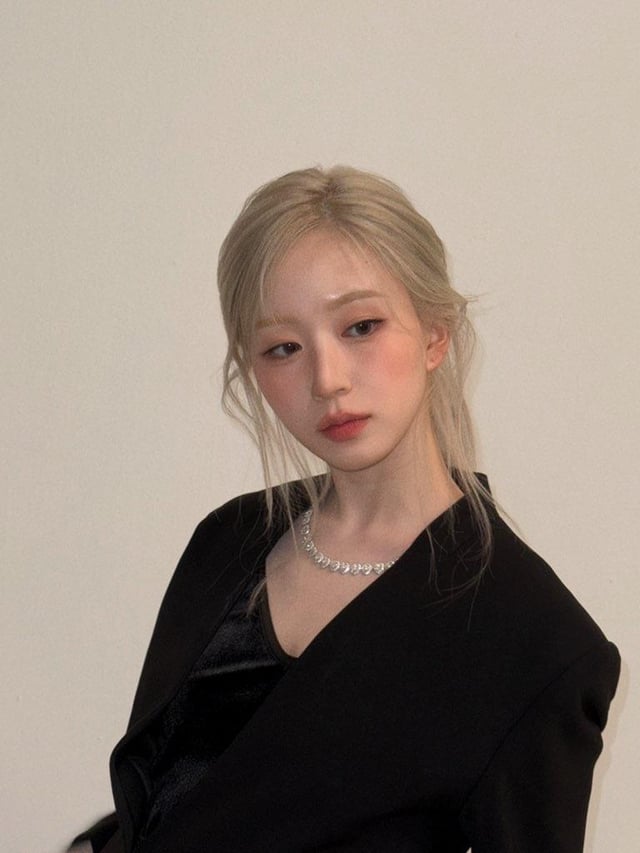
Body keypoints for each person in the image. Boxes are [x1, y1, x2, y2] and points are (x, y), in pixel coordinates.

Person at [70, 166, 620, 853]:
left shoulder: (536, 642)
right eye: (284, 348)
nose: (327, 379)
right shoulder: (226, 540)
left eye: (361, 326)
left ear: (435, 334)